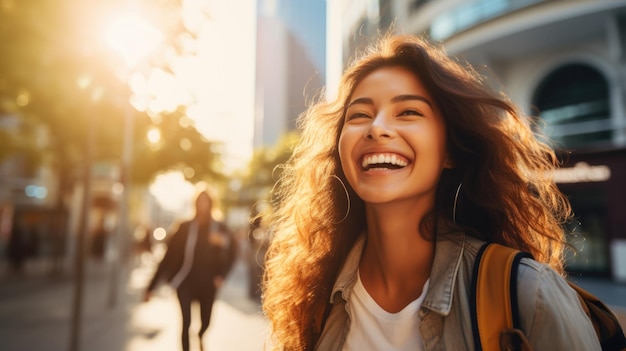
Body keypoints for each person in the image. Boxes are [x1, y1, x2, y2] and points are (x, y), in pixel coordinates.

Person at [261, 34, 601, 350]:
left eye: (408, 112)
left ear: (450, 151)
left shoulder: (529, 293)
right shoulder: (315, 297)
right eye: (360, 114)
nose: (377, 128)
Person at [144, 188, 237, 351]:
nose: (202, 205)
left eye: (206, 202)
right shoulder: (185, 227)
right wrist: (151, 287)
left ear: (211, 204)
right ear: (195, 204)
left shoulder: (219, 228)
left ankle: (200, 335)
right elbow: (168, 256)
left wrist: (222, 275)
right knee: (185, 322)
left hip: (208, 282)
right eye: (199, 201)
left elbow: (232, 252)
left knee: (206, 321)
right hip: (185, 281)